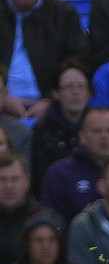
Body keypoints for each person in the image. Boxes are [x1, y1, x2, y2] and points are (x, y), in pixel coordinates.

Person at [0, 0, 88, 123]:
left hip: (50, 108)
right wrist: (4, 99)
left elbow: (79, 62)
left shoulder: (63, 14)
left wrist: (52, 99)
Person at [39, 108, 109, 224]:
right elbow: (49, 223)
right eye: (96, 131)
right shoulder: (60, 173)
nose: (104, 137)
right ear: (82, 137)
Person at [29, 59, 92, 194]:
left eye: (81, 87)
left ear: (89, 93)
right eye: (69, 87)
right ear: (56, 93)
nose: (76, 92)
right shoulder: (42, 130)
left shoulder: (98, 126)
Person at [0, 150, 43, 264]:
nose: (9, 186)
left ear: (27, 181)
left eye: (15, 179)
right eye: (2, 180)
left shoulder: (42, 220)